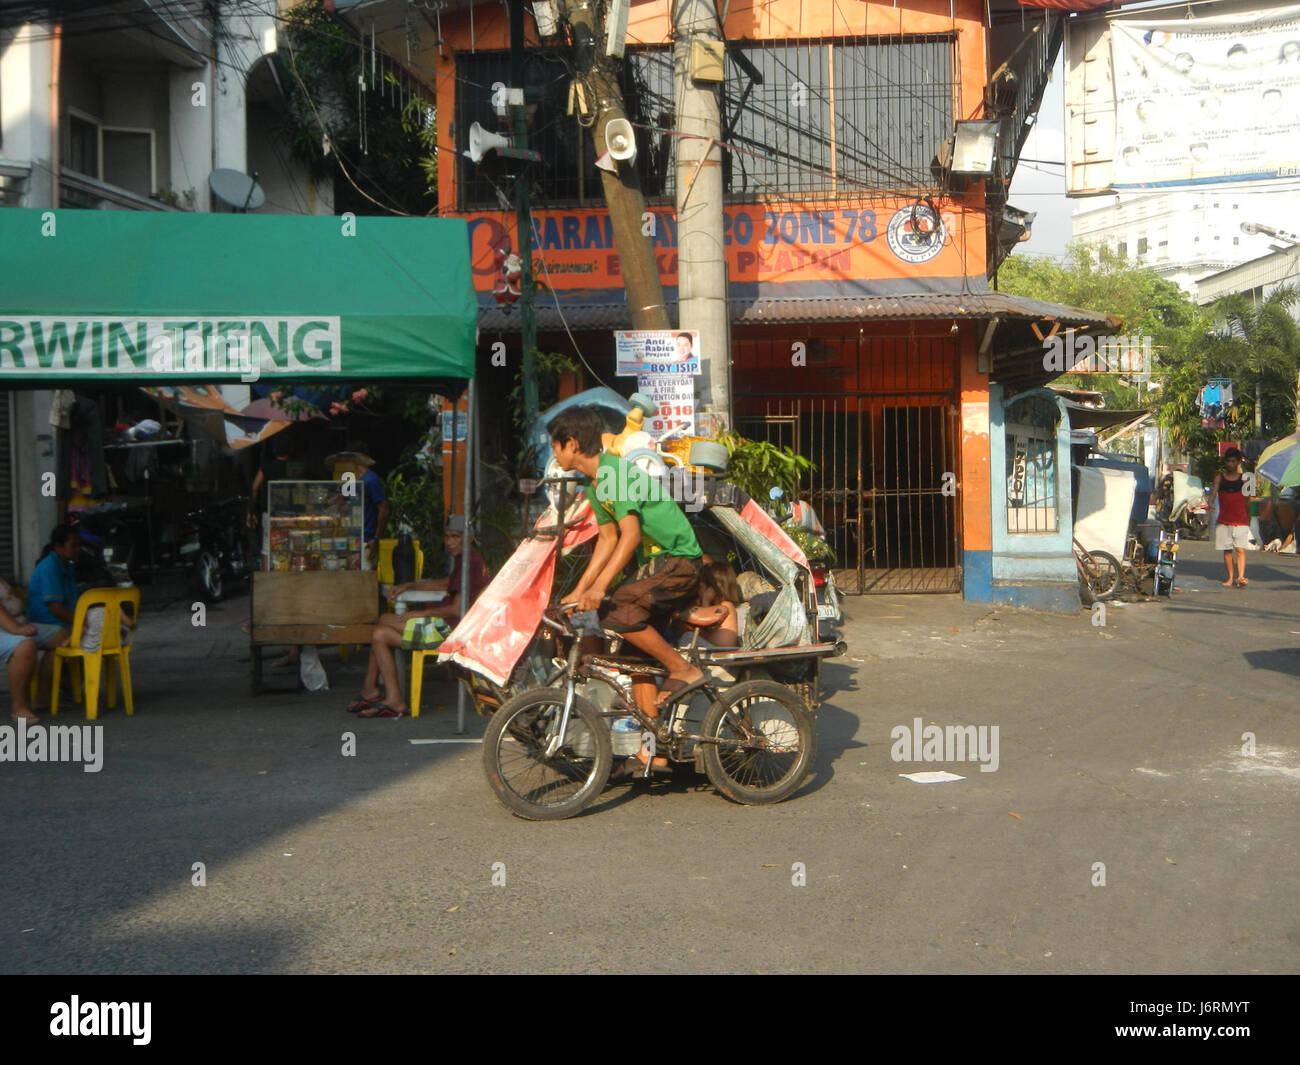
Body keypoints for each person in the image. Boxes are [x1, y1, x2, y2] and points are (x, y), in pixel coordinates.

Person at [550, 405, 704, 775]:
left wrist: (600, 588)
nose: (554, 454)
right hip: (657, 567)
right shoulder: (594, 483)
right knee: (636, 661)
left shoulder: (614, 473)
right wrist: (579, 590)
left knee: (618, 609)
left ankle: (683, 669)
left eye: (555, 446)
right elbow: (606, 539)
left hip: (679, 561)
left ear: (571, 443)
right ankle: (655, 751)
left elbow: (630, 536)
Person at [349, 515, 489, 718]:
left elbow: (455, 610)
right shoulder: (468, 559)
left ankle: (388, 697)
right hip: (452, 626)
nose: (449, 542)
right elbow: (446, 583)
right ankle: (371, 690)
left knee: (380, 633)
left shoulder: (470, 562)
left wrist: (419, 613)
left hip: (450, 631)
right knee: (383, 623)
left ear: (469, 538)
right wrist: (410, 585)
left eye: (455, 537)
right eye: (447, 536)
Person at [1, 601, 68, 722]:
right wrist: (16, 628)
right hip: (7, 626)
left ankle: (43, 695)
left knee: (61, 636)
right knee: (25, 646)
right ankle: (19, 706)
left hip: (16, 621)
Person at [1210, 448, 1255, 587]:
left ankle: (1240, 577)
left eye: (1233, 461)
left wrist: (1250, 518)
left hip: (1241, 520)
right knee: (1227, 550)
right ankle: (1230, 577)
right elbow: (1213, 494)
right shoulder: (1220, 478)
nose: (1230, 463)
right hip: (1224, 521)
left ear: (1237, 462)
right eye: (1228, 461)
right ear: (1225, 462)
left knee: (1241, 549)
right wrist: (1209, 503)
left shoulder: (1245, 479)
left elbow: (1249, 500)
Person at [676, 561, 742, 650]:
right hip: (716, 648)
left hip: (722, 652)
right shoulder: (718, 606)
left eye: (701, 586)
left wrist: (705, 600)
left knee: (687, 637)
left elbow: (706, 625)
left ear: (712, 588)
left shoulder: (725, 606)